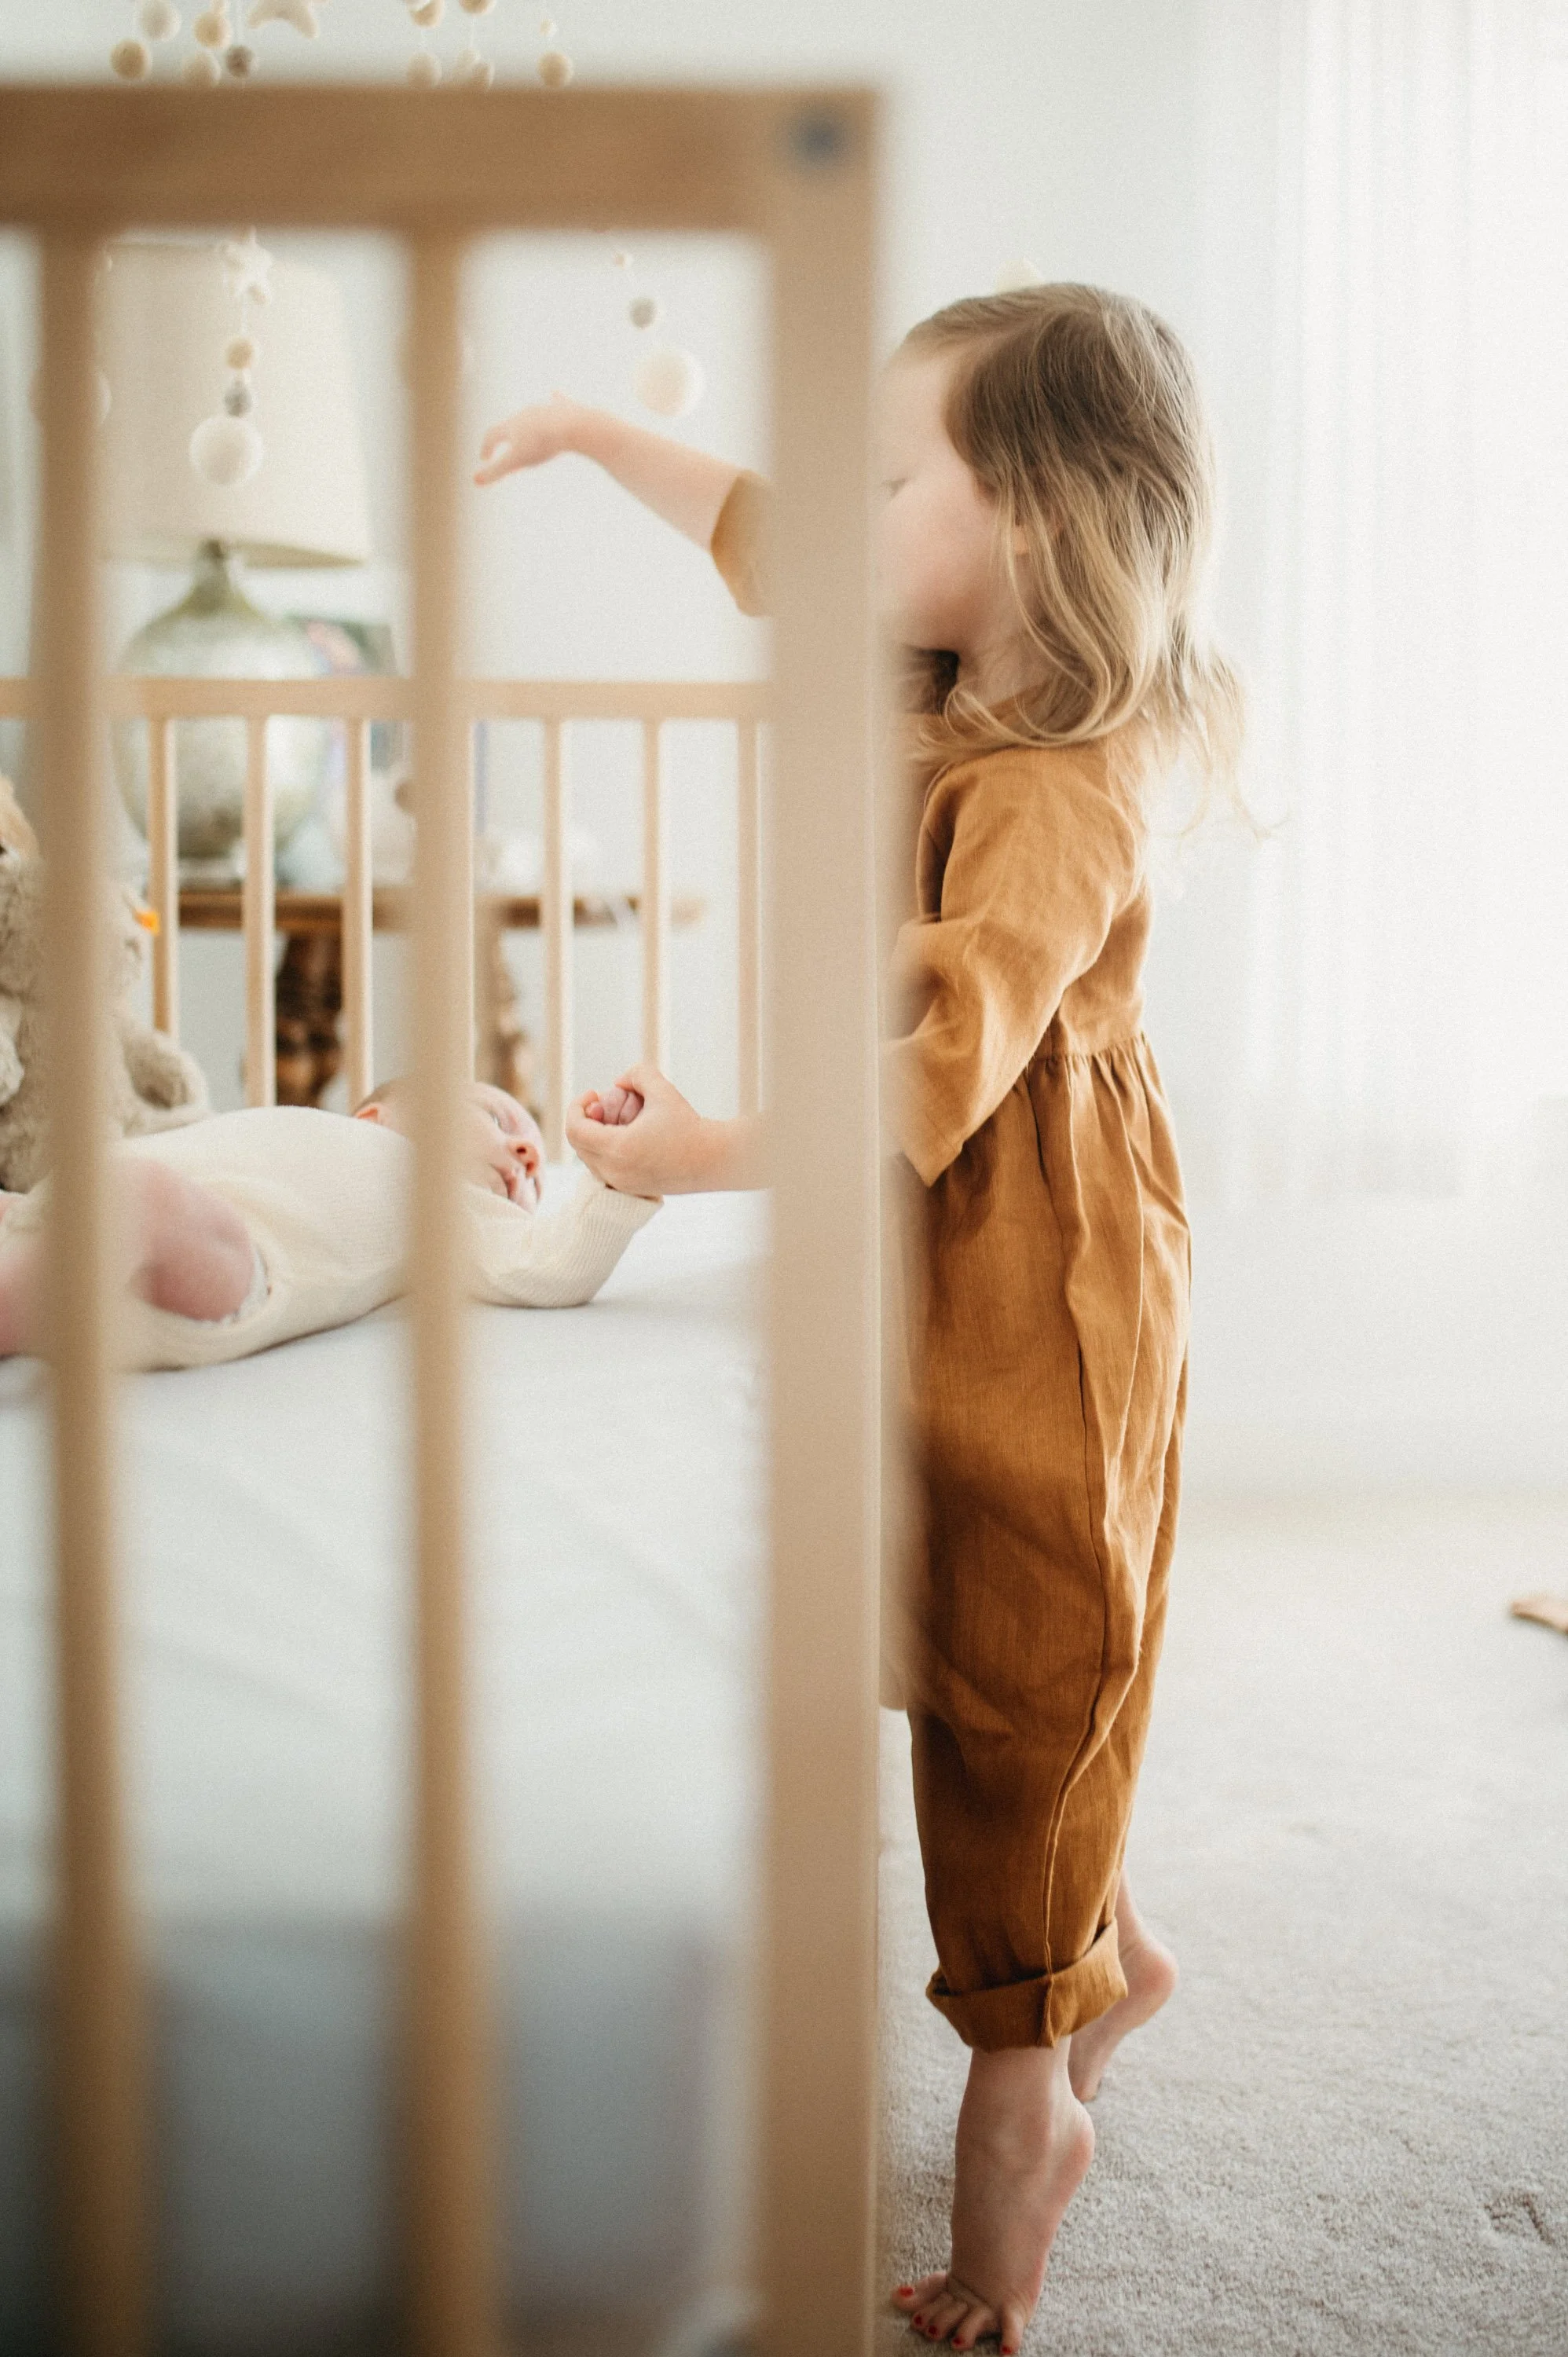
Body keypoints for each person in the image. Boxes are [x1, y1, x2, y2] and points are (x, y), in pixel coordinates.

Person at [478, 283, 1241, 2352]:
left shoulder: (1054, 797)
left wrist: (707, 1146)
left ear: (1040, 527)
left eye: (900, 471)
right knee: (955, 1659)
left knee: (1023, 1659)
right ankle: (1102, 1946)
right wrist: (585, 430)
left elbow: (923, 1070)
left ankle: (1021, 2142)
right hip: (935, 1273)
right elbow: (769, 529)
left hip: (1047, 1315)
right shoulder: (931, 682)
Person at [0, 1080, 658, 1367]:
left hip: (233, 1266)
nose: (528, 1153)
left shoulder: (453, 1213)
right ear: (378, 1119)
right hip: (76, 1211)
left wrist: (617, 1178)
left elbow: (550, 1265)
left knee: (144, 1201)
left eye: (539, 1173)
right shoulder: (330, 1134)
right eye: (497, 1120)